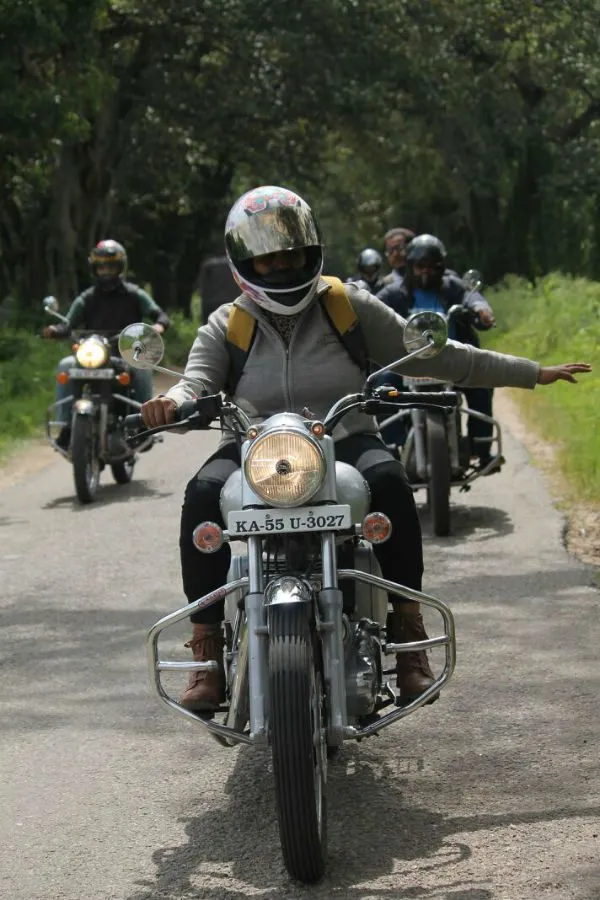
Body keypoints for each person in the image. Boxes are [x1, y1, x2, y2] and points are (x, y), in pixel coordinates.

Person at [140, 185, 590, 712]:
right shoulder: (228, 323)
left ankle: (407, 634)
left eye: (290, 251)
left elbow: (437, 355)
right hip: (255, 448)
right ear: (246, 261)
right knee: (200, 497)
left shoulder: (347, 306)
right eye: (268, 256)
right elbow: (193, 384)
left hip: (346, 437)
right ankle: (207, 653)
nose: (282, 263)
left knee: (392, 485)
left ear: (312, 247)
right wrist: (170, 404)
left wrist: (532, 374)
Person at [378, 233, 499, 468]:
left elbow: (472, 298)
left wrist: (482, 310)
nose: (425, 271)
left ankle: (480, 445)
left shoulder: (452, 287)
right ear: (411, 267)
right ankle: (390, 450)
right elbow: (372, 306)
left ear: (440, 267)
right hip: (407, 362)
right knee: (381, 383)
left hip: (451, 359)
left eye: (431, 267)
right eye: (420, 266)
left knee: (482, 381)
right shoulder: (395, 292)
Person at [43, 240, 170, 449]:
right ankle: (66, 426)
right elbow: (68, 324)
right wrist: (55, 330)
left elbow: (160, 315)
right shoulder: (86, 298)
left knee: (141, 369)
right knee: (66, 365)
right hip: (93, 351)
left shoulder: (134, 294)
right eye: (101, 267)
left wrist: (158, 326)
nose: (106, 272)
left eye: (110, 266)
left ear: (120, 267)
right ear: (95, 269)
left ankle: (143, 424)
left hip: (126, 350)